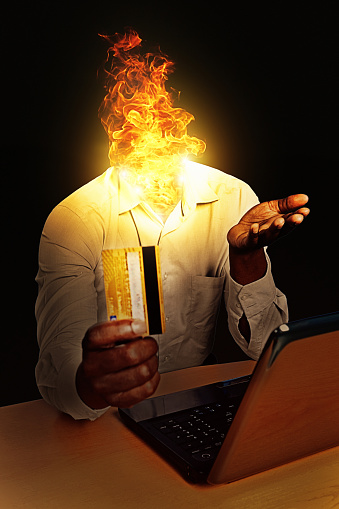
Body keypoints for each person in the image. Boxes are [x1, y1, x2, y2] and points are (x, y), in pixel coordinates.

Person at [35, 32, 310, 420]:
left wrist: (246, 260)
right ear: (119, 133)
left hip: (193, 402)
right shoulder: (76, 220)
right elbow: (57, 364)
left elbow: (263, 346)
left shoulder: (232, 200)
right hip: (104, 416)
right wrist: (88, 385)